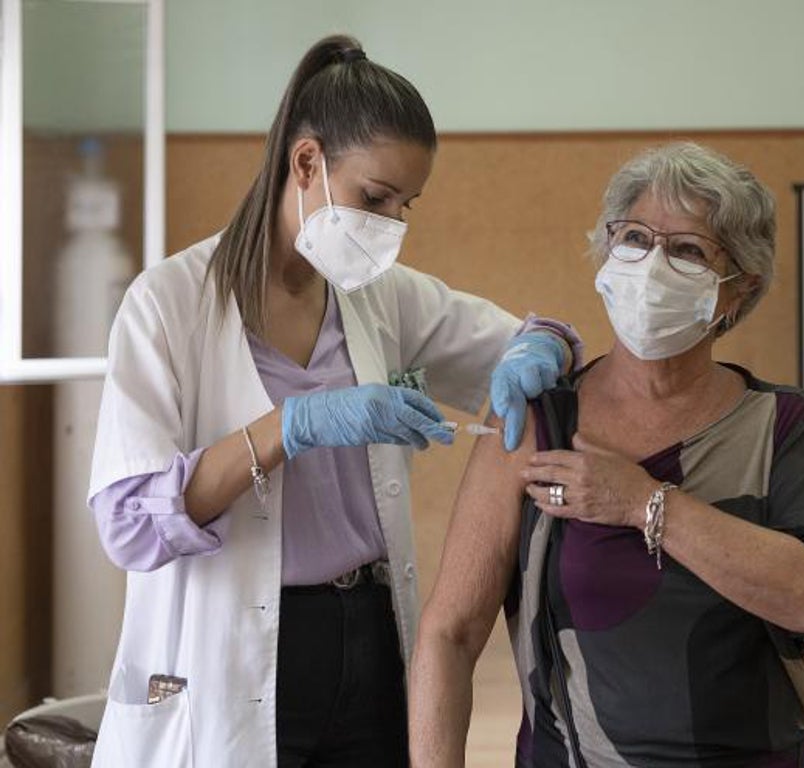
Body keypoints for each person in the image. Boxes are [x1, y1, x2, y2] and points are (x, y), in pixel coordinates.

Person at [87, 35, 581, 767]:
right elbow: (129, 523)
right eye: (374, 199)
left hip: (371, 635)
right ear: (307, 162)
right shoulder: (168, 305)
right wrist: (290, 426)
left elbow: (534, 340)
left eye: (406, 205)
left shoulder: (380, 297)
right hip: (239, 648)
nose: (391, 226)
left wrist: (541, 350)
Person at [409, 142, 804, 767]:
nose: (651, 265)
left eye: (688, 250)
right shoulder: (542, 417)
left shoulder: (780, 424)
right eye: (635, 237)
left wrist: (646, 504)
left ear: (737, 291)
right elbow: (449, 635)